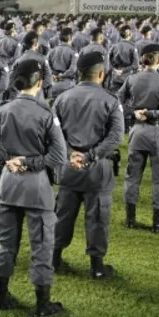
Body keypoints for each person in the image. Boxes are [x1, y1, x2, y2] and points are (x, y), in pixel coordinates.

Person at [0, 59, 67, 317]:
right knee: (41, 245)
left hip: (8, 185)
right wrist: (29, 162)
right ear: (39, 82)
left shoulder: (2, 109)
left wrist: (5, 158)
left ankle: (1, 295)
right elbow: (59, 155)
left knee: (6, 244)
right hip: (36, 188)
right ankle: (42, 304)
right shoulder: (45, 112)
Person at [52, 51, 124, 280]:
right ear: (101, 74)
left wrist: (72, 154)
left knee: (62, 215)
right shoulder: (111, 100)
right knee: (98, 218)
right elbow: (115, 136)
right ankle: (97, 266)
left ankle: (54, 259)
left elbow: (53, 134)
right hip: (96, 169)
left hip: (68, 167)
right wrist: (91, 155)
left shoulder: (62, 98)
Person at [119, 43, 159, 233]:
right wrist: (151, 113)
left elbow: (117, 103)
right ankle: (158, 222)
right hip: (156, 132)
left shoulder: (131, 79)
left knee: (132, 176)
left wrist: (133, 112)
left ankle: (130, 218)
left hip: (137, 132)